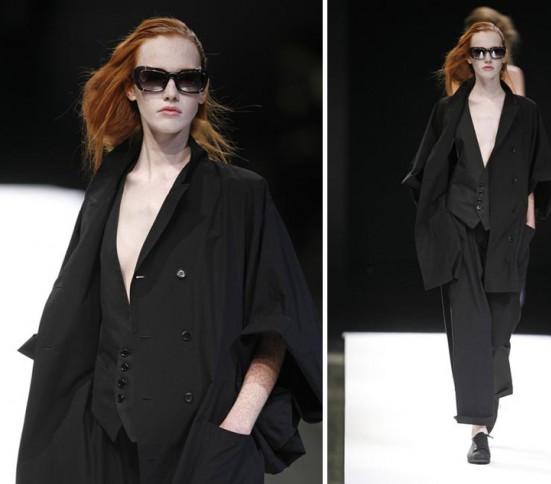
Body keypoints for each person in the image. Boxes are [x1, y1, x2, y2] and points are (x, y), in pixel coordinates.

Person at [16, 17, 322, 483]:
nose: (171, 92)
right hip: (104, 442)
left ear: (203, 91)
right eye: (154, 78)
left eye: (187, 79)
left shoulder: (240, 196)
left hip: (202, 444)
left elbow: (278, 323)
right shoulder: (105, 194)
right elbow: (84, 317)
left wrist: (237, 427)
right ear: (131, 88)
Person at [402, 22, 551, 465]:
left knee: (499, 326)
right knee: (470, 325)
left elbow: (541, 171)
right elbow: (425, 171)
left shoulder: (525, 112)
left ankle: (490, 394)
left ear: (504, 55)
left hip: (509, 230)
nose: (487, 59)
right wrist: (440, 221)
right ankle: (478, 430)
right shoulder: (448, 111)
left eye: (494, 51)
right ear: (468, 58)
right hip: (460, 228)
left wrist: (529, 218)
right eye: (479, 52)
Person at [459, 6, 526, 96]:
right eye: (479, 50)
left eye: (495, 50)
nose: (487, 58)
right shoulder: (459, 75)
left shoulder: (513, 74)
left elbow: (519, 104)